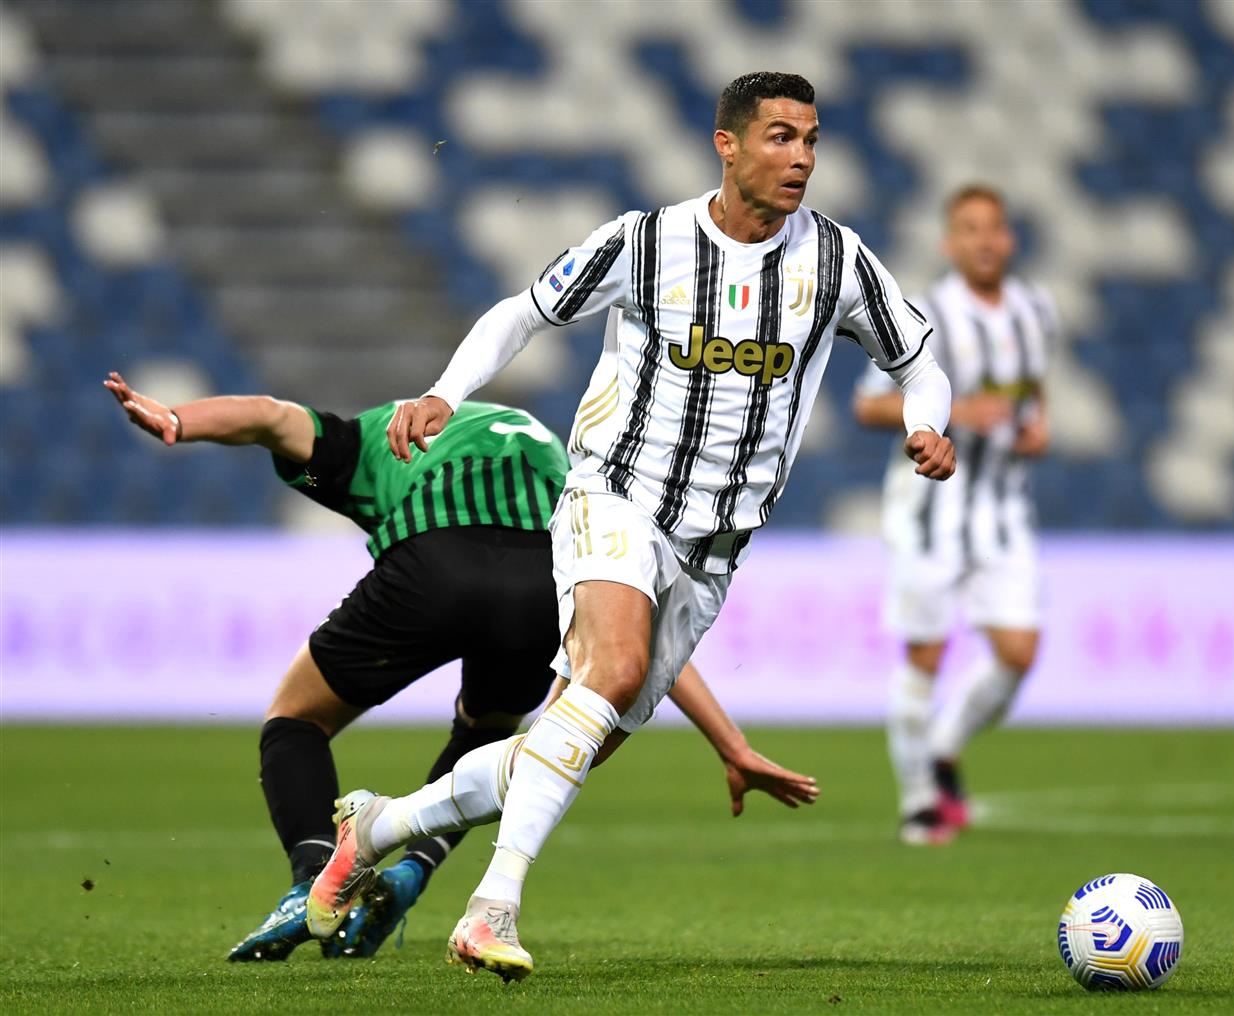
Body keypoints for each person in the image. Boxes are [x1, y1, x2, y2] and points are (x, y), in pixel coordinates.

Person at [304, 71, 956, 981]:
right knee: (608, 672)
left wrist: (928, 423)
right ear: (727, 144)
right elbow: (522, 313)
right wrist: (446, 392)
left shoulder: (839, 261)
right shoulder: (646, 242)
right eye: (780, 137)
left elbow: (921, 363)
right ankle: (491, 909)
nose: (802, 157)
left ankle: (379, 825)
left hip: (713, 551)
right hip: (615, 495)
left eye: (811, 139)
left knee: (563, 749)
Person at [104, 372, 815, 962]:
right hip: (541, 585)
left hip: (432, 566)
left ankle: (310, 879)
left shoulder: (368, 439)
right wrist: (732, 745)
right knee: (497, 733)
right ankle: (412, 870)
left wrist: (179, 420)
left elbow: (266, 416)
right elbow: (630, 648)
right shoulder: (561, 461)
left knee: (296, 717)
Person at [852, 183, 1054, 846]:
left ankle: (941, 747)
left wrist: (1037, 426)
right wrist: (954, 412)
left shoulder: (1035, 310)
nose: (984, 240)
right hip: (929, 511)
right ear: (949, 242)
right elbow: (868, 404)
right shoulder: (926, 313)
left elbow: (1034, 390)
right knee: (927, 654)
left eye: (994, 228)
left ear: (1010, 238)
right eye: (970, 229)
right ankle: (919, 802)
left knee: (1019, 652)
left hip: (1003, 509)